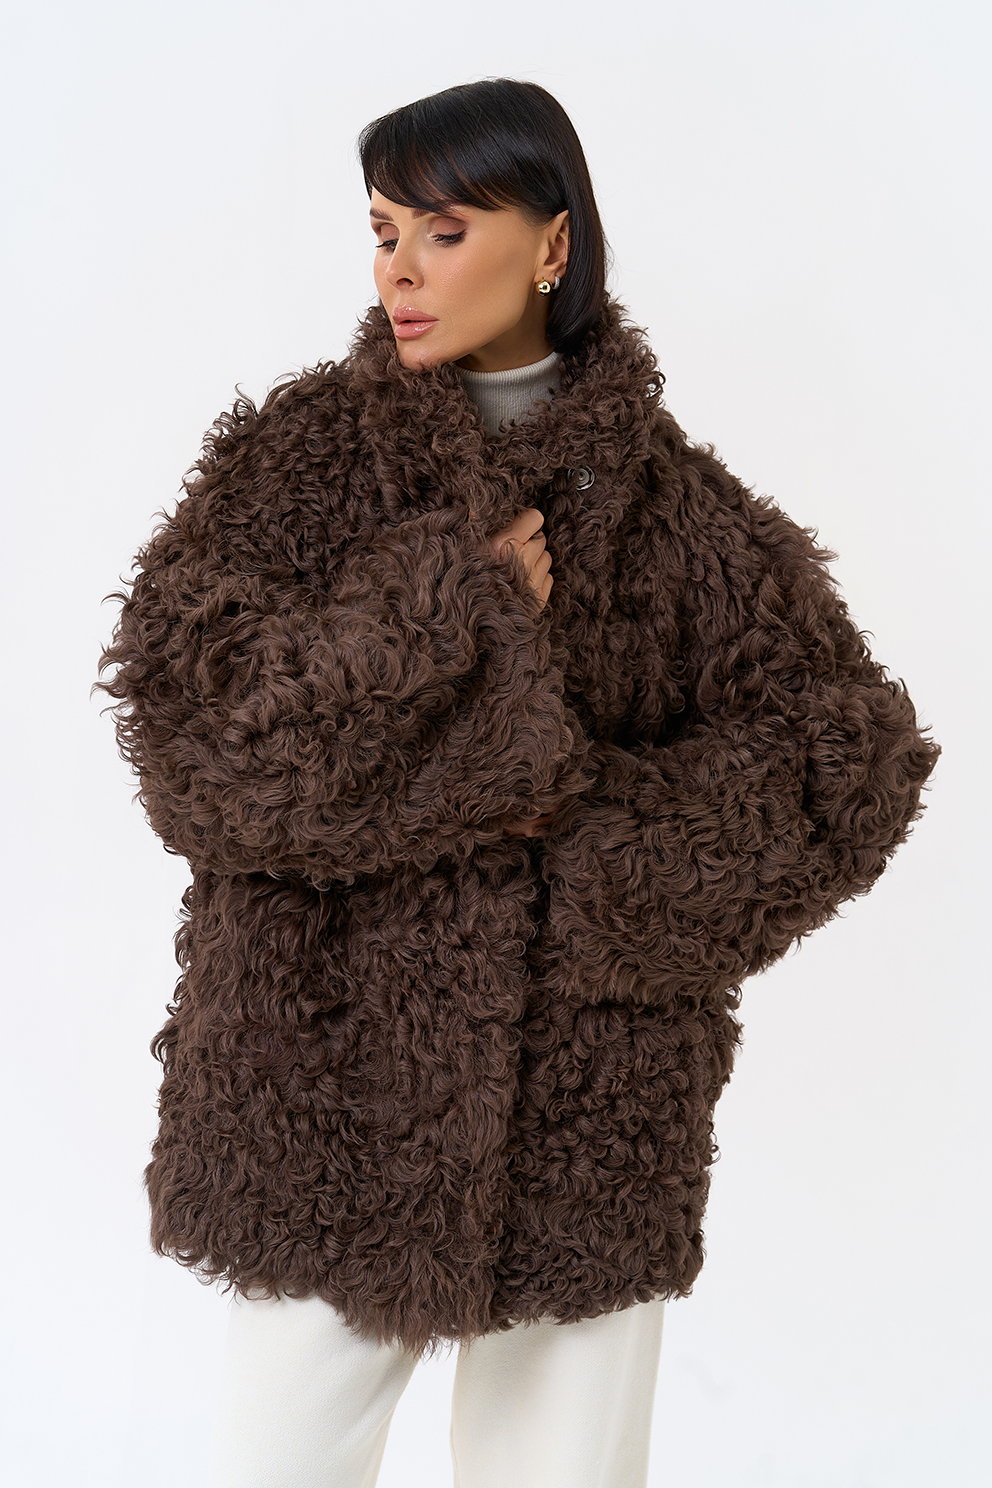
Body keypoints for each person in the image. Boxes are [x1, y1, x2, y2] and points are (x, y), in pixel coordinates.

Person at [94, 78, 939, 1488]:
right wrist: (439, 615)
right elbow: (197, 737)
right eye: (384, 232)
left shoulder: (673, 509)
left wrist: (596, 864)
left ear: (553, 243)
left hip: (590, 1106)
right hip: (321, 1087)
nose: (401, 271)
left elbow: (848, 759)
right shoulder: (305, 463)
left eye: (444, 230)